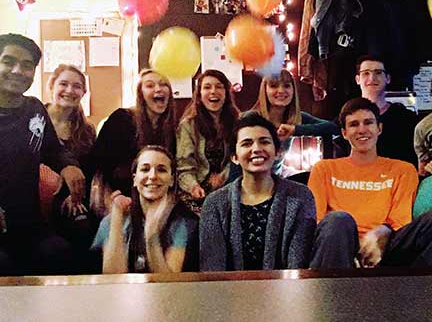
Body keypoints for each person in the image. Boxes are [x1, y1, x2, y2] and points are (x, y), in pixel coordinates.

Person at [308, 97, 432, 269]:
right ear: (344, 133)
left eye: (368, 123)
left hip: (390, 243)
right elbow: (317, 220)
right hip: (339, 245)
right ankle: (331, 293)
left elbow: (400, 219)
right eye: (353, 124)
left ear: (379, 128)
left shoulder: (403, 169)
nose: (362, 130)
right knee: (339, 220)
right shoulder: (324, 169)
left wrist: (380, 234)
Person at [0, 33, 85, 275]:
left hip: (29, 227)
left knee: (62, 255)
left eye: (27, 66)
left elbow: (53, 150)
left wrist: (69, 165)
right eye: (8, 61)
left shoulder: (34, 109)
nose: (18, 71)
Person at [200, 112, 316, 271]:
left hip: (287, 292)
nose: (256, 149)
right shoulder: (215, 203)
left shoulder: (300, 197)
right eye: (247, 143)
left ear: (277, 152)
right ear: (234, 156)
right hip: (229, 293)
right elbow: (212, 270)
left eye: (264, 142)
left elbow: (298, 265)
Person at [91, 145, 199, 273]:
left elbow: (169, 284)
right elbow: (113, 279)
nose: (152, 176)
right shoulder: (112, 220)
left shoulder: (185, 223)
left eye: (161, 170)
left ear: (172, 180)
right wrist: (116, 221)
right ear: (134, 179)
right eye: (145, 169)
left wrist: (151, 235)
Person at [89, 68, 176, 209]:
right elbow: (98, 162)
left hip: (153, 196)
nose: (158, 89)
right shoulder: (122, 119)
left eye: (163, 84)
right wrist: (115, 195)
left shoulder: (170, 128)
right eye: (150, 85)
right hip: (117, 196)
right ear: (140, 93)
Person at [41, 64, 97, 258]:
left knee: (82, 228)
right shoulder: (34, 119)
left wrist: (74, 196)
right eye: (63, 84)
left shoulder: (87, 131)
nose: (69, 91)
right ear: (52, 86)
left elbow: (89, 172)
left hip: (70, 199)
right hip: (32, 197)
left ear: (83, 92)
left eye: (77, 86)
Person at [252, 69, 339, 176]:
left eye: (287, 86)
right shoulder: (251, 118)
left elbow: (334, 129)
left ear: (293, 90)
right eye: (274, 86)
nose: (281, 90)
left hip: (278, 179)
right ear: (264, 90)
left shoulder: (297, 117)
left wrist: (296, 130)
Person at [176, 69, 239, 213]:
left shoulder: (237, 122)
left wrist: (223, 176)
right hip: (196, 192)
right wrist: (193, 186)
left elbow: (239, 158)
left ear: (226, 93)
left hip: (229, 188)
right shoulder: (188, 125)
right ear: (199, 95)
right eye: (207, 87)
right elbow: (183, 165)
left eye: (219, 86)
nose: (213, 91)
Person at [351, 54, 417, 165]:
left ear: (388, 78)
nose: (372, 78)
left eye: (378, 72)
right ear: (358, 79)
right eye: (366, 73)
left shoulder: (407, 119)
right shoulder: (347, 119)